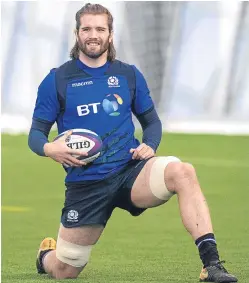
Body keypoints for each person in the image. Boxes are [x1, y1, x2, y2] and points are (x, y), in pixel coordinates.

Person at [28, 3, 237, 282]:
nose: (93, 35)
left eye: (100, 29)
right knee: (66, 270)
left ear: (110, 34)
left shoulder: (128, 75)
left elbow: (152, 122)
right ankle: (45, 257)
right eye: (87, 28)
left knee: (181, 171)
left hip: (131, 170)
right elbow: (35, 135)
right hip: (86, 185)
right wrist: (50, 148)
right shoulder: (57, 80)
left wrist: (150, 144)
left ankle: (211, 265)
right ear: (77, 33)